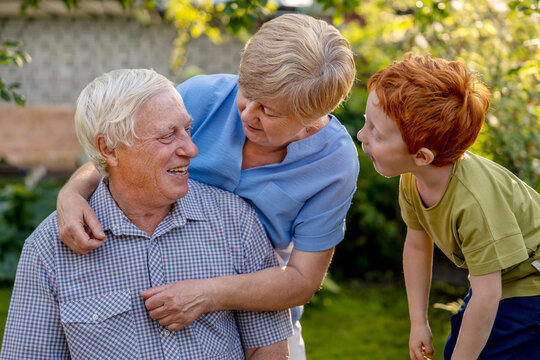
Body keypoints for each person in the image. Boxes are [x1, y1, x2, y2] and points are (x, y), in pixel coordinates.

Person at [55, 13, 359, 359]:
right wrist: (71, 193)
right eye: (247, 92)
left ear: (311, 117)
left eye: (268, 111)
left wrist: (207, 293)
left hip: (265, 320)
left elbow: (303, 280)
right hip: (161, 295)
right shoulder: (201, 97)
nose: (246, 113)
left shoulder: (334, 163)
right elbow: (121, 151)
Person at [1, 69, 293, 359]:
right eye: (168, 136)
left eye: (188, 130)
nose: (192, 149)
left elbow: (267, 348)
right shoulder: (49, 250)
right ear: (110, 149)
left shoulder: (235, 220)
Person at [356, 53, 540, 360]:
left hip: (530, 284)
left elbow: (487, 294)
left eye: (376, 132)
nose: (362, 136)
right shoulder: (412, 180)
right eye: (366, 124)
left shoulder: (474, 203)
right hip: (504, 282)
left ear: (423, 156)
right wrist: (418, 322)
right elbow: (417, 246)